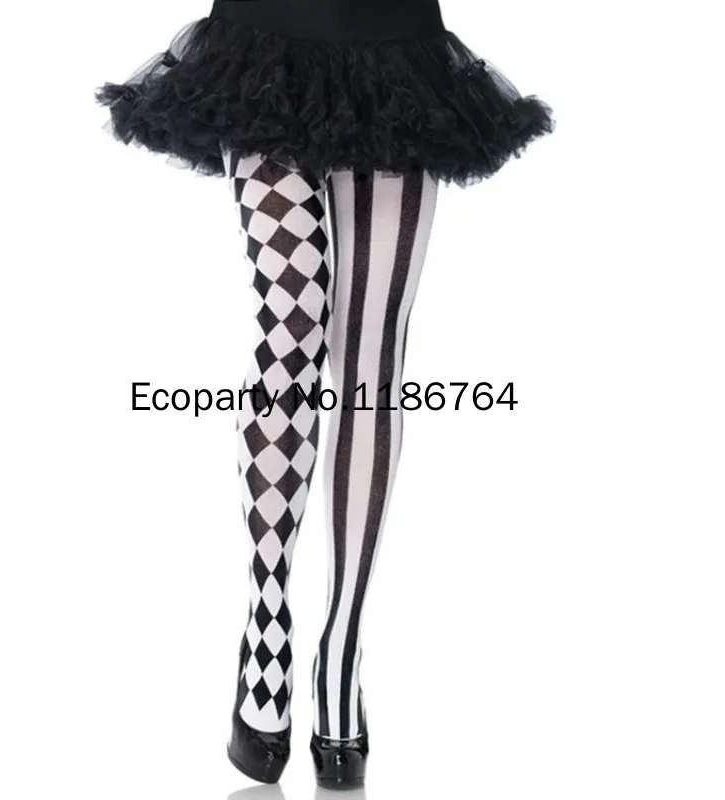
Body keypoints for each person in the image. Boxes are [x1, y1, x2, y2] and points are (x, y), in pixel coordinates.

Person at [97, 0, 553, 788]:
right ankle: (266, 622)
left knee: (372, 362)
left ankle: (341, 653)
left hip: (395, 41)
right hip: (267, 35)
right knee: (291, 317)